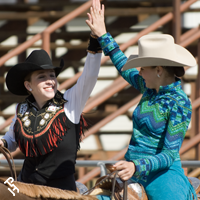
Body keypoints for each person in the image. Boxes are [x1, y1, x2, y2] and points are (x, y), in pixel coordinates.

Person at [86, 0, 198, 199]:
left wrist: (135, 165)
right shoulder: (148, 86)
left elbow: (170, 154)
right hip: (131, 168)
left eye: (143, 67)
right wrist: (103, 34)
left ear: (158, 70)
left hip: (162, 175)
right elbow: (122, 65)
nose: (139, 72)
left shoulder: (180, 103)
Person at [0, 28, 102, 190]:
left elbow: (89, 76)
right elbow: (11, 140)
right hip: (27, 188)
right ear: (28, 85)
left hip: (60, 192)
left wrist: (95, 39)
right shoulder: (22, 109)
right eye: (42, 76)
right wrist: (2, 142)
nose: (50, 81)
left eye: (52, 75)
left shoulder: (70, 103)